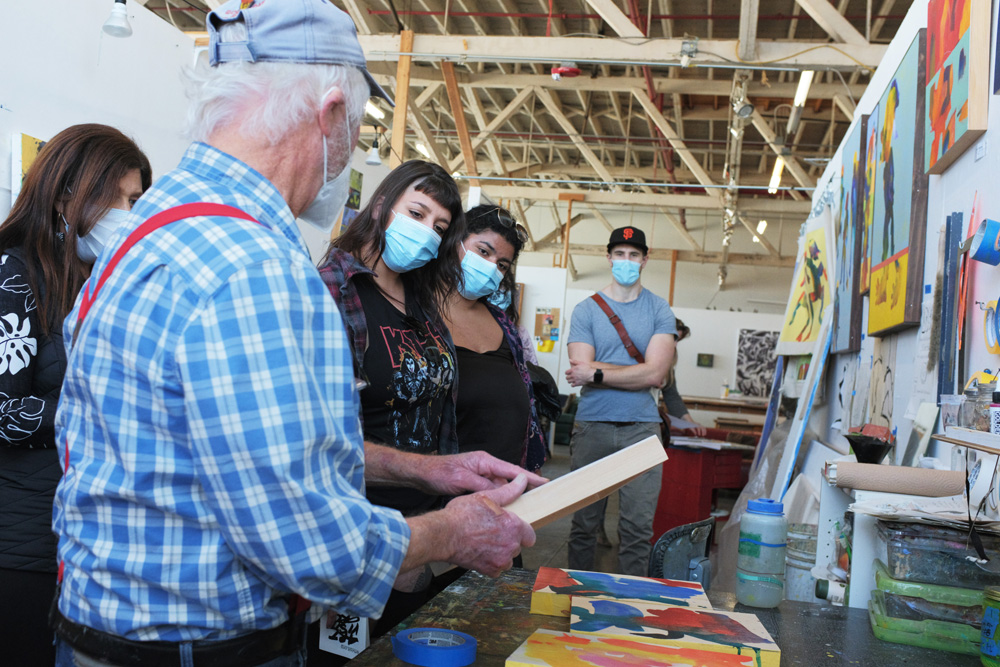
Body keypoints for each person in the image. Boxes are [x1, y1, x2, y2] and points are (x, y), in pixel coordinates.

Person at [51, 4, 540, 667]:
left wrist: (427, 468)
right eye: (359, 127)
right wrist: (451, 531)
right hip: (202, 649)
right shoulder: (251, 265)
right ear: (331, 112)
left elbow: (239, 446)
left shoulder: (150, 228)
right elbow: (305, 540)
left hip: (104, 635)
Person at [0, 124, 150, 667]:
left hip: (81, 537)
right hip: (22, 545)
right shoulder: (14, 275)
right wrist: (110, 405)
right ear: (70, 193)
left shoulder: (93, 282)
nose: (133, 216)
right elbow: (5, 412)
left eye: (139, 202)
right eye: (126, 200)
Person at [565, 226, 676, 576]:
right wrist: (635, 370)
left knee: (637, 532)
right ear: (609, 256)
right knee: (583, 527)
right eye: (619, 254)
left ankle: (630, 609)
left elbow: (657, 375)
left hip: (641, 430)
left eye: (633, 254)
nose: (626, 261)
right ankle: (573, 600)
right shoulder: (586, 310)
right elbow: (579, 367)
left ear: (645, 259)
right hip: (592, 427)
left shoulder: (660, 310)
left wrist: (597, 373)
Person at [441, 204, 546, 472]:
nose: (490, 267)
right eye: (483, 251)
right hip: (442, 485)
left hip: (507, 481)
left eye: (501, 264)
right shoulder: (417, 313)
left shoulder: (505, 325)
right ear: (456, 242)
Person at [659, 318, 707, 436]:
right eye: (673, 338)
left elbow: (672, 396)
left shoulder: (668, 365)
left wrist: (689, 422)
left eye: (678, 340)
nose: (675, 344)